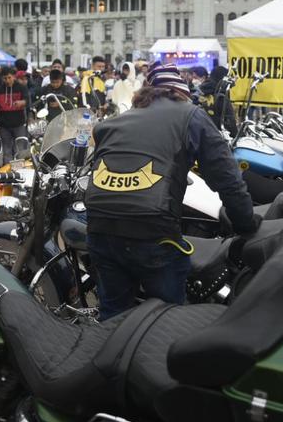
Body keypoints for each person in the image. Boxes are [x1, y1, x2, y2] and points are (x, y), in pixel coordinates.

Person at [85, 63, 258, 319]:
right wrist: (246, 224)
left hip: (99, 226)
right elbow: (228, 179)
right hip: (152, 230)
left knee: (113, 314)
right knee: (166, 319)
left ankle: (110, 354)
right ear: (181, 93)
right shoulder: (191, 115)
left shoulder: (114, 122)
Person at [0, 68, 28, 161]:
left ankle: (20, 171)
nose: (7, 80)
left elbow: (28, 101)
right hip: (4, 124)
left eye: (9, 77)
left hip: (19, 123)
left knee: (19, 149)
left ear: (14, 77)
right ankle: (7, 172)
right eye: (5, 78)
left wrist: (22, 102)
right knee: (6, 149)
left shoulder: (21, 88)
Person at [197, 65, 238, 136]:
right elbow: (230, 123)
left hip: (197, 135)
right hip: (216, 138)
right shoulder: (221, 96)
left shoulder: (198, 91)